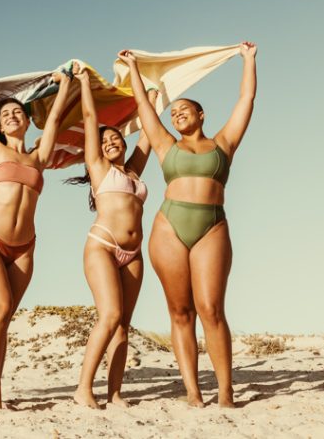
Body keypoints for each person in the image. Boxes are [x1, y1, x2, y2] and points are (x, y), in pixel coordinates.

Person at [122, 42, 257, 408]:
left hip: (212, 227)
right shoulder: (166, 145)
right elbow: (145, 109)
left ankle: (225, 392)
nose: (178, 113)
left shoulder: (224, 143)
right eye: (175, 110)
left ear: (201, 115)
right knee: (180, 312)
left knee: (211, 308)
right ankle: (193, 393)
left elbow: (245, 101)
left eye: (185, 109)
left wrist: (248, 60)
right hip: (170, 227)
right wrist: (133, 67)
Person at [0, 57, 76, 409]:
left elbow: (53, 119)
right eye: (5, 114)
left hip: (24, 248)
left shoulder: (39, 157)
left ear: (25, 119)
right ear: (0, 124)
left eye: (17, 113)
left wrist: (65, 82)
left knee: (4, 317)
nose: (11, 116)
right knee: (1, 305)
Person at [66, 65, 152, 409]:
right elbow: (90, 119)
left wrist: (153, 95)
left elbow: (151, 130)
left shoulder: (133, 170)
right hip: (102, 246)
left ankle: (114, 393)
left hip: (134, 252)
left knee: (124, 325)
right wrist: (85, 83)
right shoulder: (99, 168)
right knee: (110, 315)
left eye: (116, 137)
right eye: (105, 141)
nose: (112, 141)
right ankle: (83, 388)